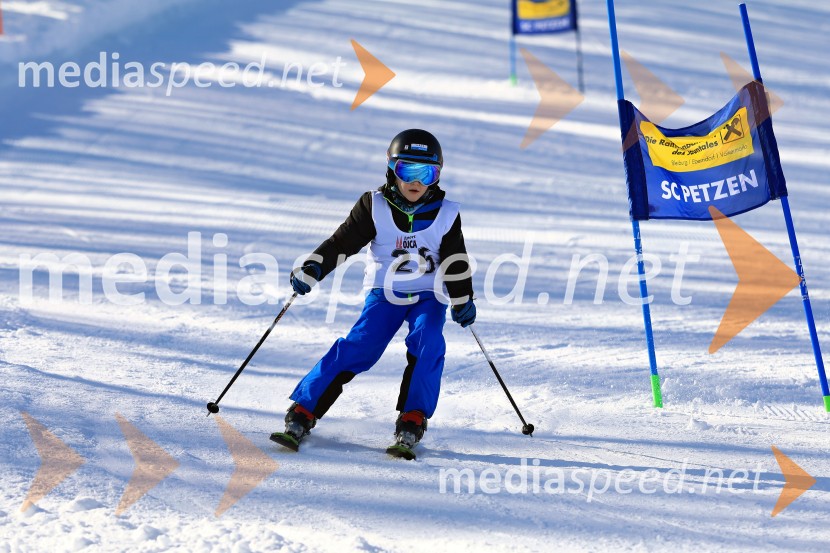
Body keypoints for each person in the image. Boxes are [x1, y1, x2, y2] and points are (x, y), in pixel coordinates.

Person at [271, 129, 476, 456]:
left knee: (429, 340)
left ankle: (412, 418)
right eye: (408, 170)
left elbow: (455, 260)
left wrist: (463, 298)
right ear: (392, 170)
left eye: (427, 173)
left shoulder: (447, 213)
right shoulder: (374, 205)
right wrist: (314, 268)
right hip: (385, 293)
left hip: (428, 294)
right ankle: (304, 410)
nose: (416, 182)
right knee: (360, 345)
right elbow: (342, 243)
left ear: (437, 176)